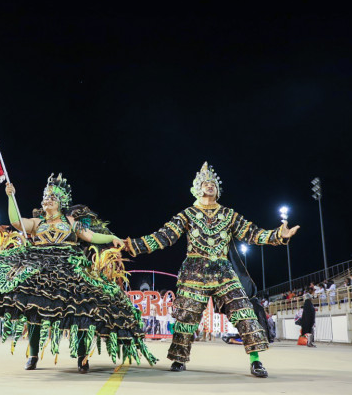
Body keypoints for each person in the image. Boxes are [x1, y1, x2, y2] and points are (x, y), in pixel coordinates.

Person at [0, 173, 156, 373]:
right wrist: (10, 197)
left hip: (68, 267)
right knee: (35, 310)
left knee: (82, 309)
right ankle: (34, 355)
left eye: (52, 198)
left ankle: (82, 357)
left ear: (61, 202)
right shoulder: (37, 223)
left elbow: (91, 237)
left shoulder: (71, 223)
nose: (47, 201)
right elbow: (16, 222)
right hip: (37, 265)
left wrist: (112, 238)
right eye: (45, 197)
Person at [124, 162, 300, 378]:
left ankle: (255, 361)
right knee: (186, 317)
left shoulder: (229, 214)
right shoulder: (187, 214)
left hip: (223, 271)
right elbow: (163, 237)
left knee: (244, 311)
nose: (210, 186)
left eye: (213, 184)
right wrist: (132, 245)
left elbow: (252, 233)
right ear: (197, 188)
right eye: (205, 183)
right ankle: (179, 358)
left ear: (218, 189)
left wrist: (278, 235)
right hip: (194, 272)